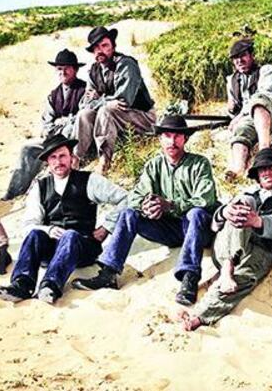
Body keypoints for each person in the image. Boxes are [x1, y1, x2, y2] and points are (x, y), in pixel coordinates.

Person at [72, 115, 219, 306]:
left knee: (196, 213)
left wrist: (170, 205)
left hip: (198, 229)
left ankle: (189, 277)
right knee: (129, 214)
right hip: (169, 230)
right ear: (160, 139)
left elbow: (206, 199)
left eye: (177, 136)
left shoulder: (199, 164)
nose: (172, 141)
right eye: (167, 135)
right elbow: (134, 197)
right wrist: (147, 205)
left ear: (185, 139)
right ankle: (109, 273)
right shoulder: (154, 166)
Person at [0, 134, 127, 304]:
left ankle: (51, 285)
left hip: (83, 248)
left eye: (63, 156)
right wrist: (48, 230)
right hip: (51, 250)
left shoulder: (90, 181)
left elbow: (126, 198)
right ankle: (21, 284)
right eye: (53, 157)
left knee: (70, 235)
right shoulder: (40, 187)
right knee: (35, 234)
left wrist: (106, 227)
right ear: (47, 163)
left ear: (72, 158)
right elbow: (28, 224)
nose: (58, 162)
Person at [179, 148, 272, 331]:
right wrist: (224, 212)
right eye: (262, 169)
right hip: (226, 249)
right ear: (257, 175)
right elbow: (214, 226)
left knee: (241, 280)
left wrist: (257, 221)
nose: (266, 173)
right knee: (243, 204)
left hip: (260, 250)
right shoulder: (245, 194)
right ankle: (227, 269)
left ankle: (199, 316)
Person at [3, 49, 87, 200]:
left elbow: (81, 117)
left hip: (72, 141)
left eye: (67, 68)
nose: (63, 72)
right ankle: (13, 193)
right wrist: (61, 123)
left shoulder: (84, 89)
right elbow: (47, 124)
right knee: (27, 149)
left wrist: (61, 123)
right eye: (59, 69)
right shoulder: (53, 95)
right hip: (53, 139)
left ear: (75, 69)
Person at [74, 26, 156, 175]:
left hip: (141, 116)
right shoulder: (94, 71)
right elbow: (84, 103)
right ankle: (76, 158)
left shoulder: (126, 65)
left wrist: (100, 100)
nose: (100, 51)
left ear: (113, 46)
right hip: (115, 116)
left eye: (104, 45)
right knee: (84, 114)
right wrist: (105, 101)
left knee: (106, 111)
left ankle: (104, 161)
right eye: (95, 48)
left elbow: (124, 100)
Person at [225, 38, 272, 179]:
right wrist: (231, 111)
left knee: (258, 102)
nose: (239, 61)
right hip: (251, 118)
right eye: (235, 58)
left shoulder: (267, 70)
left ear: (251, 56)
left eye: (243, 56)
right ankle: (238, 169)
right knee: (241, 130)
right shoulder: (232, 80)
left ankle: (264, 152)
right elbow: (233, 109)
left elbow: (265, 94)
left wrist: (239, 116)